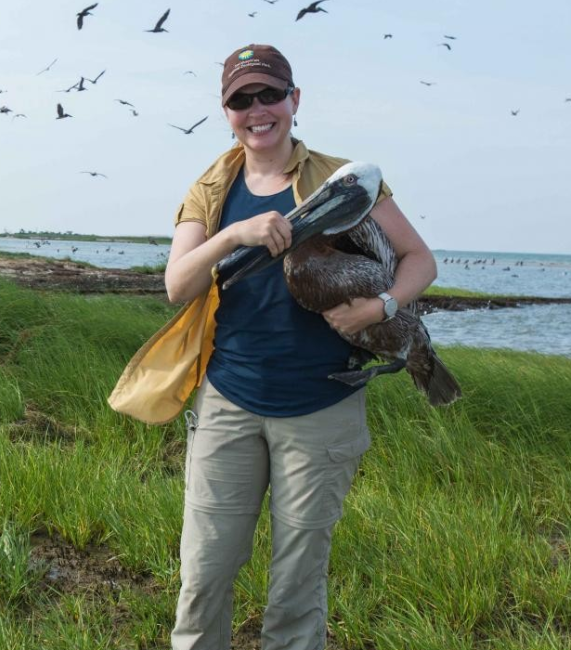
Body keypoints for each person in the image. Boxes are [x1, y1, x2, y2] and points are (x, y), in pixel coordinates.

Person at [108, 44, 437, 649]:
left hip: (322, 405)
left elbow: (420, 260)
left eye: (269, 95)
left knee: (296, 584)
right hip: (229, 399)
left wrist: (381, 306)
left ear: (295, 100)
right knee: (204, 575)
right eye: (241, 100)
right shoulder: (213, 186)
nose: (257, 110)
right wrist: (235, 232)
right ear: (226, 111)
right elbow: (177, 286)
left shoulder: (343, 183)